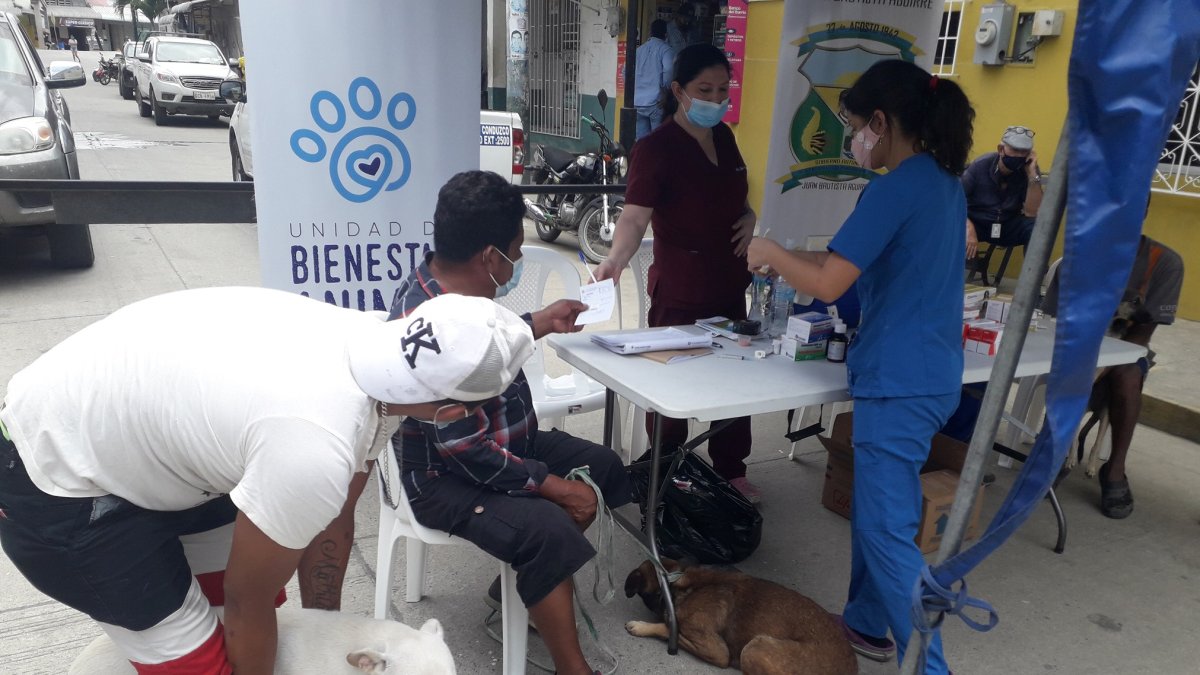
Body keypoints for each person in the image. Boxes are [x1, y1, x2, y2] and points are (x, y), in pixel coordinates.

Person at [0, 288, 533, 673]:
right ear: (452, 411)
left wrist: (327, 645)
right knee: (209, 658)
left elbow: (329, 520)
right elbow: (245, 601)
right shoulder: (314, 443)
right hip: (54, 479)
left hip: (124, 439)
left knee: (259, 627)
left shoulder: (375, 346)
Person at [745, 60, 975, 673]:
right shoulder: (942, 183)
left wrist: (769, 250)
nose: (853, 140)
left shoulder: (894, 188)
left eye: (852, 127)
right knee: (882, 513)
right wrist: (788, 256)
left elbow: (827, 284)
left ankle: (930, 666)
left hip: (899, 383)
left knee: (885, 531)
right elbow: (846, 261)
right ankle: (868, 623)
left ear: (880, 121)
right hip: (929, 373)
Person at [388, 170, 633, 675]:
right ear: (489, 257)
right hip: (442, 476)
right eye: (516, 253)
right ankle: (572, 666)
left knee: (604, 467)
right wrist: (550, 485)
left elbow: (486, 348)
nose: (517, 263)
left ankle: (518, 592)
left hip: (505, 443)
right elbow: (465, 449)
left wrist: (540, 321)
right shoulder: (428, 323)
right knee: (548, 527)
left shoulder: (462, 294)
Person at [594, 44, 760, 501]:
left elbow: (737, 197)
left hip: (730, 287)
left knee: (733, 383)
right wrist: (614, 260)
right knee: (672, 388)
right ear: (678, 90)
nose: (716, 99)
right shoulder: (656, 149)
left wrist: (750, 217)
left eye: (723, 90)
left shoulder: (724, 138)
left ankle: (731, 469)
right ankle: (667, 471)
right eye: (704, 90)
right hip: (681, 291)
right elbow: (634, 218)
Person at [1043, 229, 1183, 519]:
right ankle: (1053, 455)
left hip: (1127, 345)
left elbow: (1142, 334)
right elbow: (1059, 318)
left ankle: (1115, 469)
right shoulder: (1078, 256)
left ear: (1142, 211)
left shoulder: (1163, 261)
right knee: (1071, 371)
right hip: (1077, 342)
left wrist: (1104, 365)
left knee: (1128, 376)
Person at [962, 125, 1045, 260]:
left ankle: (1034, 271)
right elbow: (954, 202)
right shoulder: (980, 166)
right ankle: (960, 267)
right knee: (954, 226)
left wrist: (1032, 176)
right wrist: (968, 227)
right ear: (1001, 149)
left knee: (1038, 228)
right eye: (1015, 149)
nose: (1019, 155)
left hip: (1006, 225)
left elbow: (1033, 213)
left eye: (1024, 151)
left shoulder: (1030, 170)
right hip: (977, 223)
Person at [634, 19, 675, 140]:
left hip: (637, 103)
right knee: (658, 141)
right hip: (656, 103)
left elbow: (626, 71)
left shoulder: (639, 50)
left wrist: (634, 91)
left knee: (642, 143)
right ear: (666, 34)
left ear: (650, 33)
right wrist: (666, 91)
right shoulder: (666, 50)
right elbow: (669, 70)